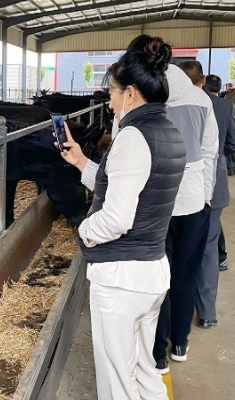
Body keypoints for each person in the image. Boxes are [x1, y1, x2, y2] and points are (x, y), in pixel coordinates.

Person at [59, 35, 186, 399]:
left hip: (121, 280)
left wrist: (84, 231)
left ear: (130, 94)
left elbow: (116, 218)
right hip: (151, 271)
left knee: (116, 381)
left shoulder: (133, 136)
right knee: (145, 372)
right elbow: (135, 186)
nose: (110, 103)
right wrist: (83, 164)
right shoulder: (168, 130)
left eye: (112, 94)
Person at [146, 53, 218, 372]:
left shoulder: (146, 99)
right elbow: (210, 151)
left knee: (157, 277)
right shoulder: (201, 98)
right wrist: (205, 193)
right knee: (185, 274)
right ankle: (180, 342)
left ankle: (158, 352)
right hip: (192, 202)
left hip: (157, 203)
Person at [184, 71, 235, 328]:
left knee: (179, 245)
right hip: (214, 184)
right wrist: (222, 161)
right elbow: (232, 143)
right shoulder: (225, 105)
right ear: (201, 80)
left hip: (182, 185)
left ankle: (177, 312)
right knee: (208, 247)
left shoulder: (176, 102)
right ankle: (207, 313)